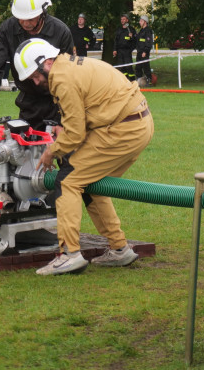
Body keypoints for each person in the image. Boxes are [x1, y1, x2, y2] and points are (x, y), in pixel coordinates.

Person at [14, 38, 152, 275]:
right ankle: (120, 249)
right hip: (134, 124)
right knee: (91, 184)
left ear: (46, 62)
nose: (36, 83)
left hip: (122, 129)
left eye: (35, 76)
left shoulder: (62, 79)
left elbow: (76, 134)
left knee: (68, 181)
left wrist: (52, 151)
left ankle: (69, 254)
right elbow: (84, 114)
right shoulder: (68, 67)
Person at [0, 0, 74, 128]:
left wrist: (63, 119)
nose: (24, 23)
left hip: (56, 103)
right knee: (24, 147)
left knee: (59, 149)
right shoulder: (8, 29)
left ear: (43, 12)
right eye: (20, 18)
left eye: (30, 18)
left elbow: (69, 78)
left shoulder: (61, 32)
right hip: (28, 104)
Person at [112, 13, 136, 80]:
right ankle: (124, 80)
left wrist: (132, 37)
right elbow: (116, 40)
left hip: (127, 51)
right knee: (121, 67)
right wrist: (115, 50)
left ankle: (132, 80)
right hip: (120, 51)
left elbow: (135, 42)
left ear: (127, 20)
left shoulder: (131, 30)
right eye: (121, 19)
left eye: (124, 19)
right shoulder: (119, 29)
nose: (122, 20)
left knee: (128, 66)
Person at [134, 15, 155, 85]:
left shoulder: (148, 31)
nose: (139, 22)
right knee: (138, 68)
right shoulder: (141, 31)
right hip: (139, 52)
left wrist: (145, 51)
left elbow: (149, 43)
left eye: (141, 21)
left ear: (145, 22)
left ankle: (149, 81)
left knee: (146, 67)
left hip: (144, 53)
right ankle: (139, 82)